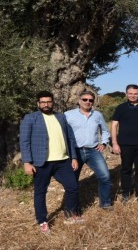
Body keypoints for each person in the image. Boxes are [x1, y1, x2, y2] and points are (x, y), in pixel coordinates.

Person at [19, 90, 84, 234]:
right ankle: (42, 221)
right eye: (43, 102)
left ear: (53, 102)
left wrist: (73, 157)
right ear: (38, 103)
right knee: (40, 192)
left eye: (49, 102)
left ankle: (70, 214)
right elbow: (24, 141)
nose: (46, 104)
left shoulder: (61, 117)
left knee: (73, 187)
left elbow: (70, 138)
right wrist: (27, 162)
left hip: (63, 161)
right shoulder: (30, 118)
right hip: (41, 163)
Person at [64, 90, 113, 210]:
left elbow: (105, 131)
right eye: (85, 99)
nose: (88, 102)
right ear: (79, 101)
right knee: (72, 181)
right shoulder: (68, 115)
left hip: (93, 151)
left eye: (90, 100)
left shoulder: (98, 115)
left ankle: (105, 203)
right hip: (75, 152)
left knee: (105, 177)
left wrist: (104, 143)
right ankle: (73, 208)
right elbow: (62, 133)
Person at [110, 84, 138, 205]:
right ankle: (126, 193)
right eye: (130, 93)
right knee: (126, 169)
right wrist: (115, 143)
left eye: (135, 94)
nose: (133, 96)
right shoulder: (120, 107)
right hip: (125, 144)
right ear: (126, 94)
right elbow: (114, 125)